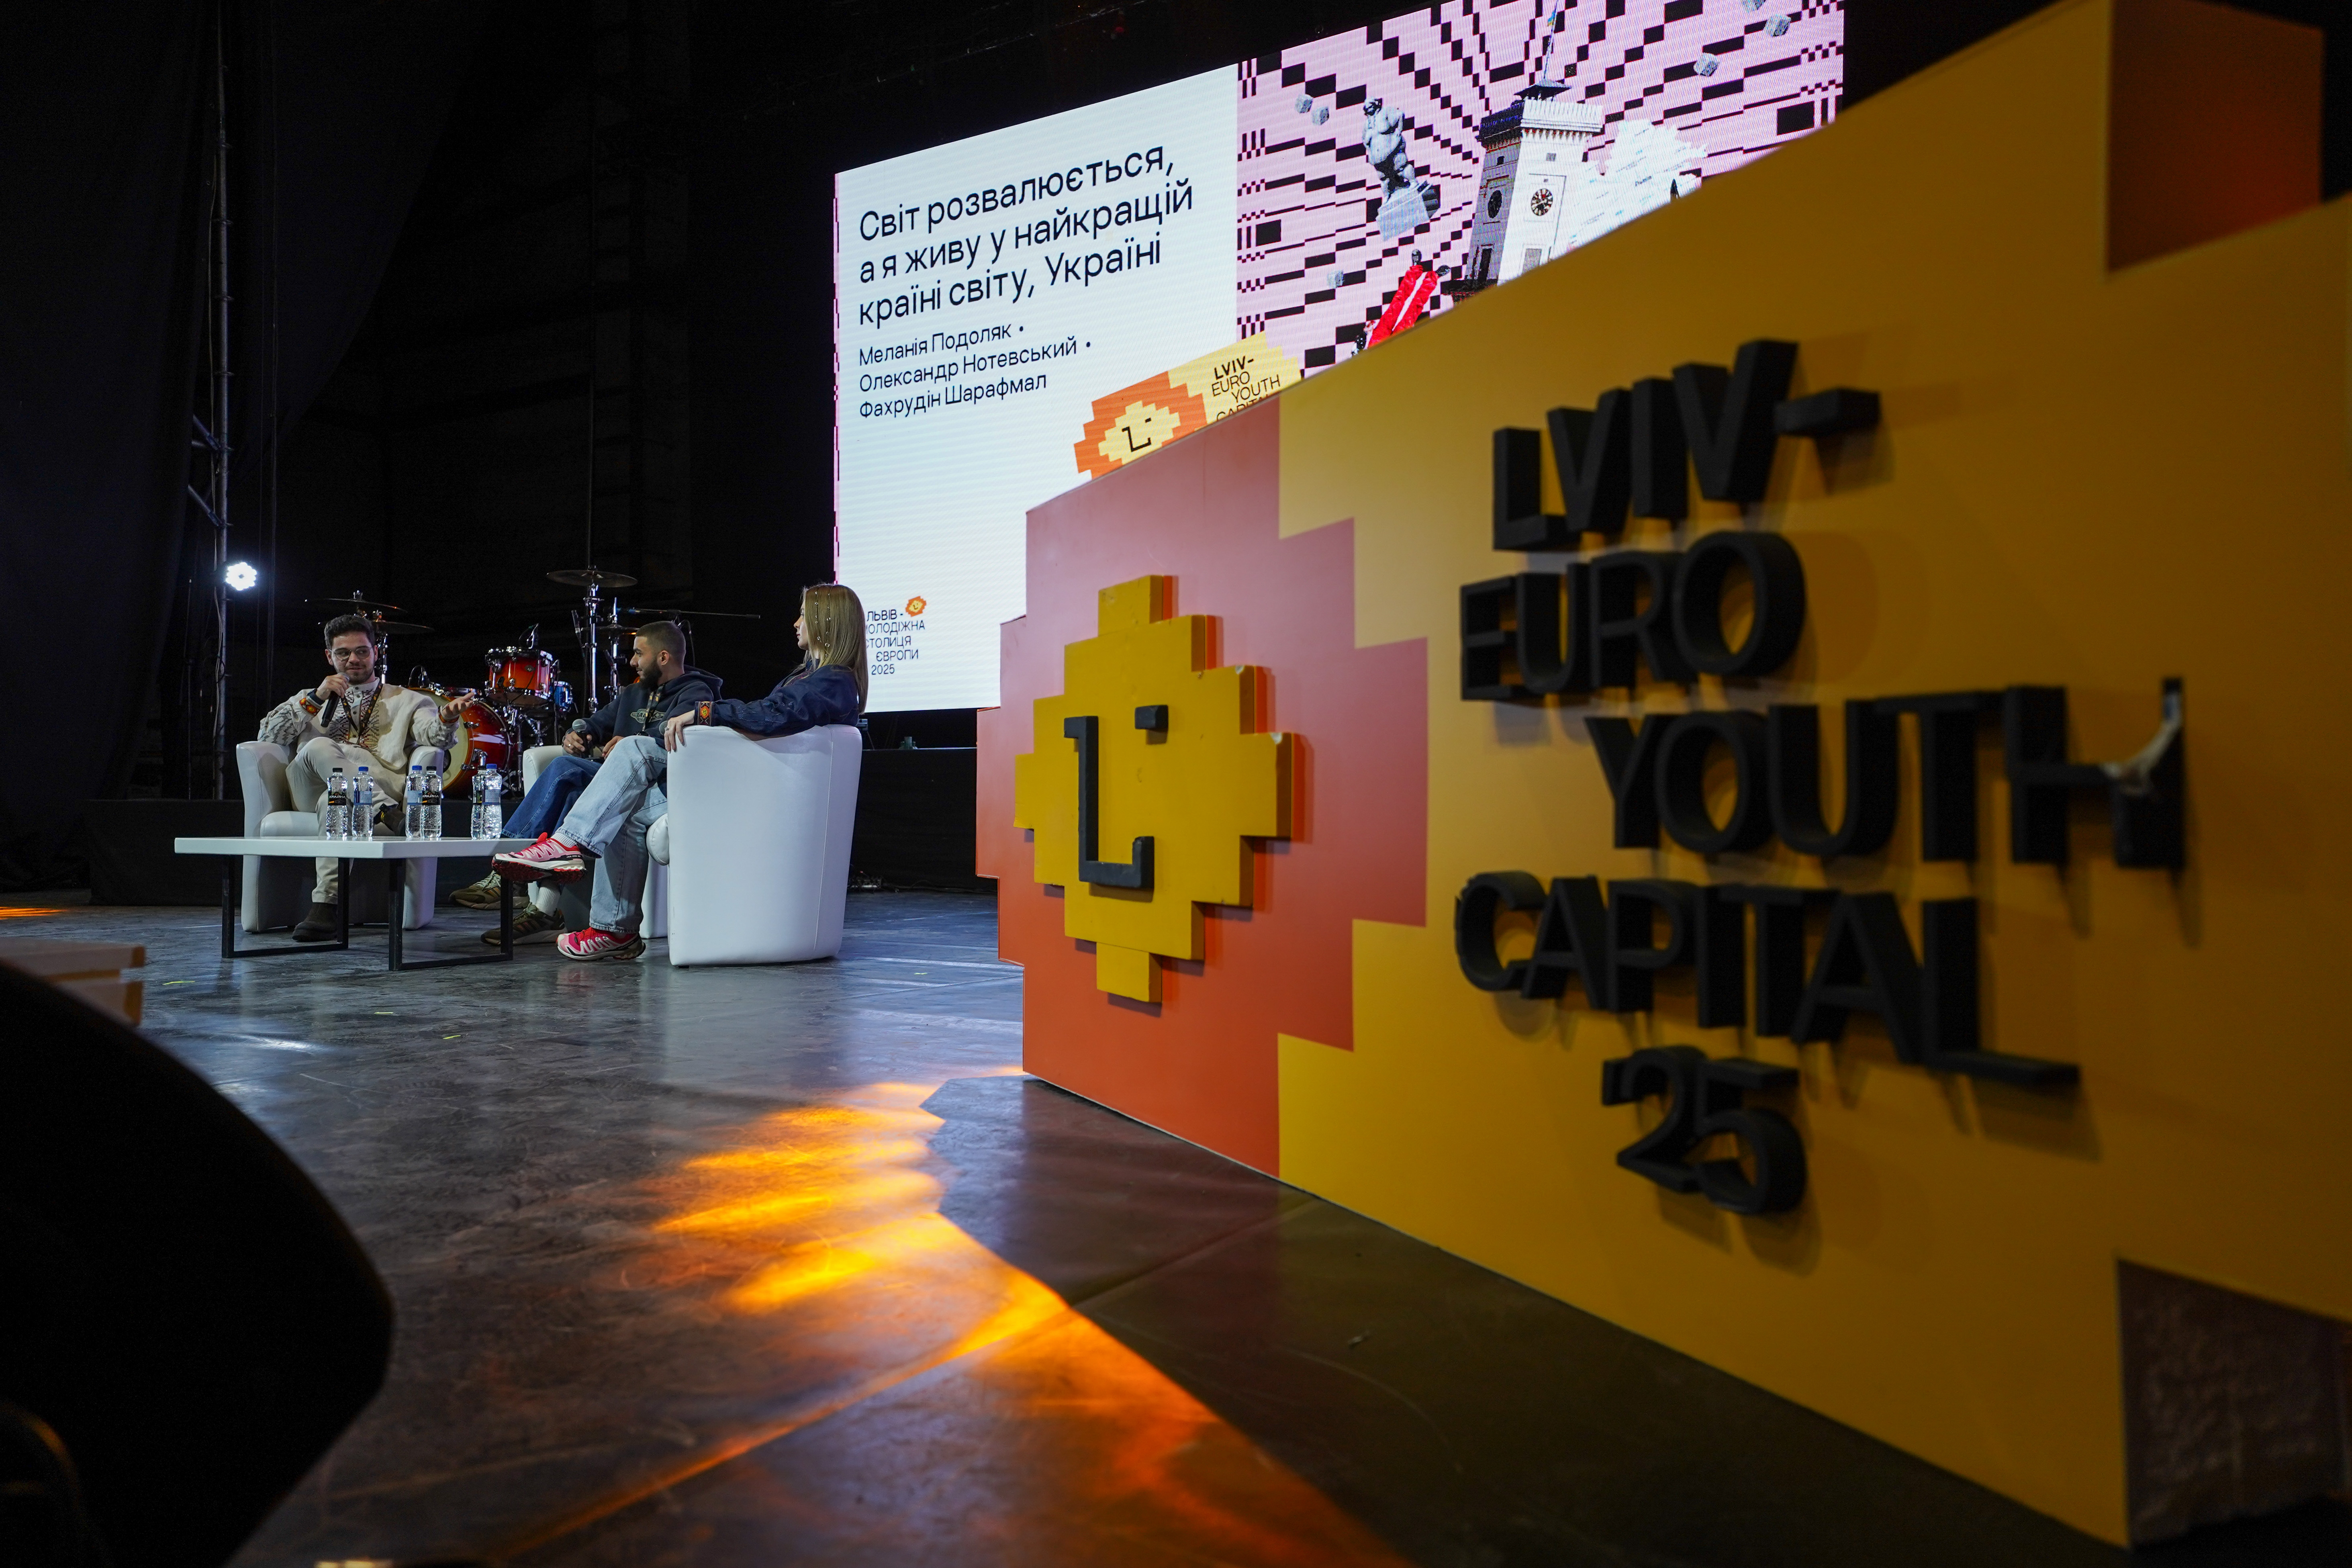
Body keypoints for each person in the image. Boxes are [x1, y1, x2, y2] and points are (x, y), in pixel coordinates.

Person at [493, 584, 868, 962]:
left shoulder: (834, 680)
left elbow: (771, 716)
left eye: (804, 613)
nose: (796, 622)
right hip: (754, 781)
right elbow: (769, 719)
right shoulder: (812, 677)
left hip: (760, 791)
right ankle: (614, 930)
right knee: (629, 815)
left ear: (826, 620)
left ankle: (569, 844)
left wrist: (705, 714)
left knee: (635, 748)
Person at [449, 620, 720, 943]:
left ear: (663, 657)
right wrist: (576, 735)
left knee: (566, 771)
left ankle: (511, 879)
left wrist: (635, 739)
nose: (632, 662)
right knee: (571, 780)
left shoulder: (697, 692)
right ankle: (542, 907)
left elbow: (688, 735)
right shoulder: (634, 692)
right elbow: (595, 723)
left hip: (656, 784)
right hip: (614, 781)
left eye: (638, 654)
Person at [257, 614, 465, 940]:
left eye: (361, 651)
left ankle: (326, 906)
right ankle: (388, 813)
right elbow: (268, 734)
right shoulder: (310, 698)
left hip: (360, 792)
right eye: (343, 653)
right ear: (330, 656)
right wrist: (315, 699)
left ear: (376, 652)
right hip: (308, 791)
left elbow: (434, 735)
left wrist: (447, 718)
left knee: (337, 798)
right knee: (318, 747)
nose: (353, 659)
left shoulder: (408, 699)